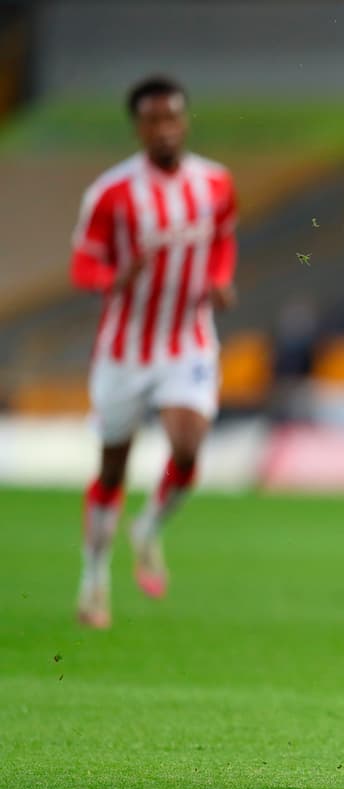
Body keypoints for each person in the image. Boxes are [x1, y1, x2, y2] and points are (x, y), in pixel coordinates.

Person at [71, 75, 238, 629]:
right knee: (112, 469)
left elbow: (223, 239)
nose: (165, 129)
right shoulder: (111, 194)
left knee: (188, 446)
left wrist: (219, 278)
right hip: (124, 348)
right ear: (138, 127)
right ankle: (94, 577)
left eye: (173, 117)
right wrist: (115, 277)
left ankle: (147, 529)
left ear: (185, 121)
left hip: (187, 336)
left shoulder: (214, 183)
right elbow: (83, 266)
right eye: (153, 120)